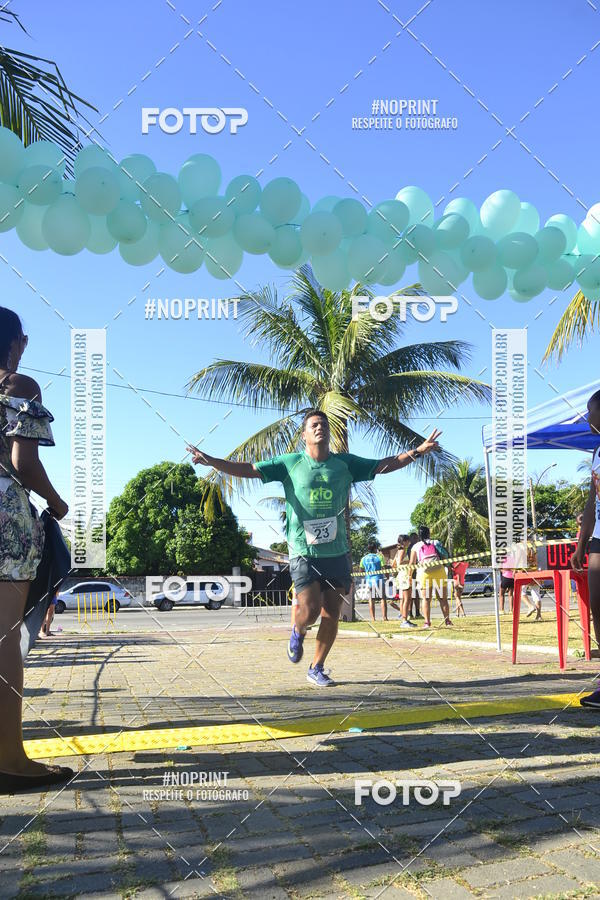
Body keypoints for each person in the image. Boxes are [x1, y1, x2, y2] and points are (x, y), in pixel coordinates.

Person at [188, 412, 442, 686]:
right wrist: (211, 461)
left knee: (331, 612)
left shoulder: (345, 464)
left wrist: (417, 451)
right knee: (309, 610)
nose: (320, 428)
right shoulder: (290, 463)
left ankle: (316, 667)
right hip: (303, 551)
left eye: (324, 425)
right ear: (304, 435)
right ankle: (298, 630)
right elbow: (249, 469)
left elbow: (383, 465)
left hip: (337, 551)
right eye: (314, 425)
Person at [0, 307, 72, 792]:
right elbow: (22, 461)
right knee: (5, 638)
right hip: (5, 515)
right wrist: (55, 500)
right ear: (19, 342)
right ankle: (9, 761)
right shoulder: (18, 385)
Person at [572, 391, 600, 707]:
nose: (587, 417)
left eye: (590, 410)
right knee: (597, 608)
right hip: (598, 542)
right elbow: (592, 502)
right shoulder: (596, 452)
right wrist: (582, 544)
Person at [409, 526, 452, 627]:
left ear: (419, 535)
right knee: (443, 599)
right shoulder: (436, 542)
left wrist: (409, 576)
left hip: (424, 574)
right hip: (439, 572)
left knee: (426, 599)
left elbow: (412, 563)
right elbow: (445, 555)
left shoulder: (416, 546)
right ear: (429, 534)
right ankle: (447, 621)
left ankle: (427, 622)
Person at [392, 534, 417, 628]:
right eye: (408, 541)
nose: (410, 542)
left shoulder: (398, 551)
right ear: (405, 542)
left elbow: (393, 564)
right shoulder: (402, 550)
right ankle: (404, 620)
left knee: (403, 599)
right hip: (405, 575)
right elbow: (398, 563)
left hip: (401, 575)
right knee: (407, 599)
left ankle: (404, 618)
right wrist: (410, 562)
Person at [360, 541, 386, 622]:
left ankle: (373, 618)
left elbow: (361, 571)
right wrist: (387, 577)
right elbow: (384, 568)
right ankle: (384, 617)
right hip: (379, 579)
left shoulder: (363, 558)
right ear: (375, 548)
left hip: (369, 580)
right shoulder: (380, 557)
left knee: (371, 599)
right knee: (382, 598)